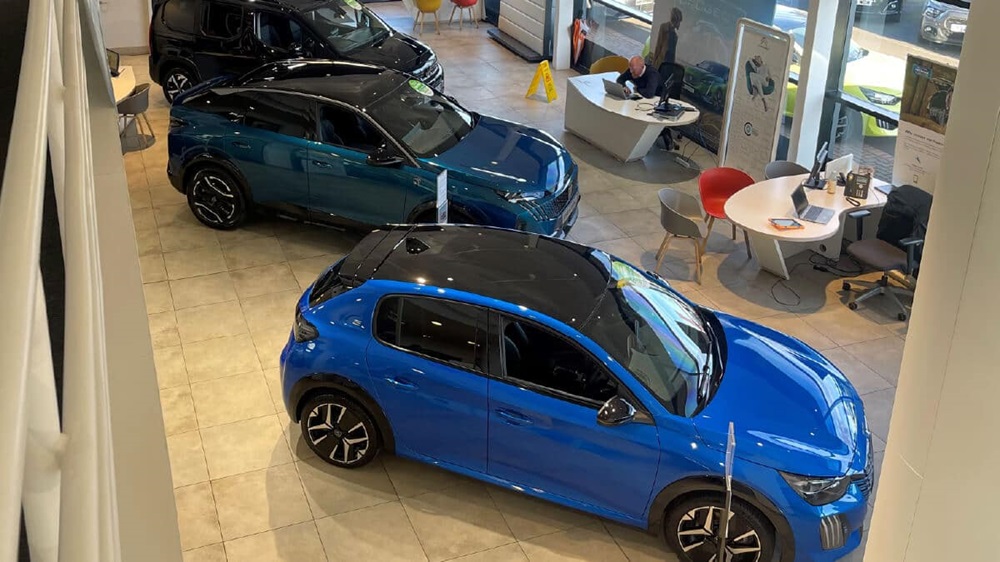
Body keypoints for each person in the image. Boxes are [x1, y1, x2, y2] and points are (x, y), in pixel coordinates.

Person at [650, 8, 682, 81]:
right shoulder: (664, 27)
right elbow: (659, 45)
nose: (679, 24)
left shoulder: (675, 32)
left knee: (665, 81)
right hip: (663, 59)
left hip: (670, 61)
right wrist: (654, 62)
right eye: (679, 21)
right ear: (675, 19)